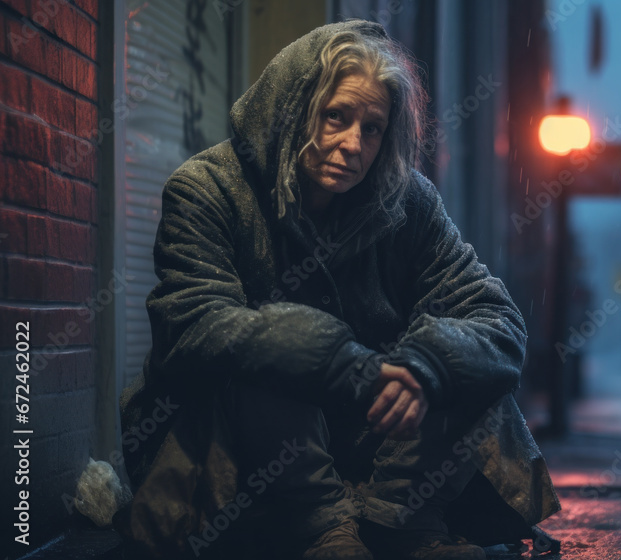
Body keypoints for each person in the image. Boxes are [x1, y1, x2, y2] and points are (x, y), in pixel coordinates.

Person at [115, 20, 560, 560]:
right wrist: (342, 364)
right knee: (256, 358)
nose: (353, 145)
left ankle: (401, 526)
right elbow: (194, 328)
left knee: (464, 362)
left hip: (365, 452)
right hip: (238, 463)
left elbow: (496, 317)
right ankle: (323, 529)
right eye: (336, 117)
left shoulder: (407, 201)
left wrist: (427, 368)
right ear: (295, 109)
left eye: (372, 129)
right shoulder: (206, 189)